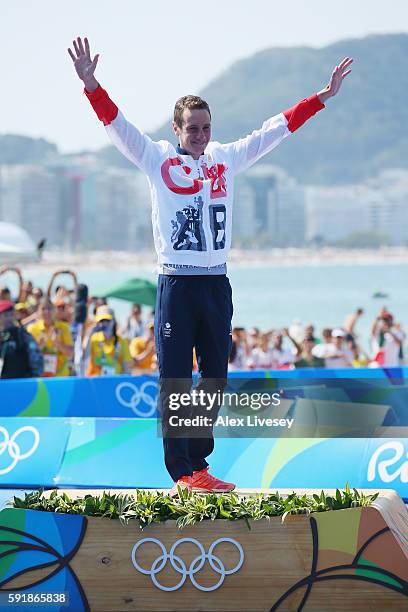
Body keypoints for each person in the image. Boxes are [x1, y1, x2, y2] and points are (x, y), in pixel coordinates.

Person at [69, 36, 352, 494]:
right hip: (177, 285)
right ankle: (183, 473)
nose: (200, 136)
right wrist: (90, 84)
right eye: (192, 129)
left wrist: (321, 97)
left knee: (215, 378)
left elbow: (274, 130)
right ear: (177, 130)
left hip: (216, 283)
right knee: (176, 379)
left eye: (205, 128)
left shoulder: (225, 158)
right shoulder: (156, 158)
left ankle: (197, 465)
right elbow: (117, 125)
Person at [28, 298, 73, 377]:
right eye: (43, 309)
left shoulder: (64, 327)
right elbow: (28, 357)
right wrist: (39, 347)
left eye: (49, 308)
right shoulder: (32, 329)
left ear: (55, 310)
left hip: (60, 378)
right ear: (38, 311)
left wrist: (58, 344)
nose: (46, 312)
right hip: (40, 378)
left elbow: (70, 353)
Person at [0, 300, 43, 378]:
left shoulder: (22, 335)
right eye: (6, 315)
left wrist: (32, 381)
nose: (9, 318)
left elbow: (36, 360)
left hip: (20, 383)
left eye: (11, 315)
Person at [87, 307, 132, 376]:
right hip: (95, 383)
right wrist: (89, 335)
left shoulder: (122, 342)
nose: (104, 324)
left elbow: (127, 370)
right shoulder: (92, 339)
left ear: (114, 321)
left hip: (115, 383)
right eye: (101, 321)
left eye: (107, 320)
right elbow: (84, 358)